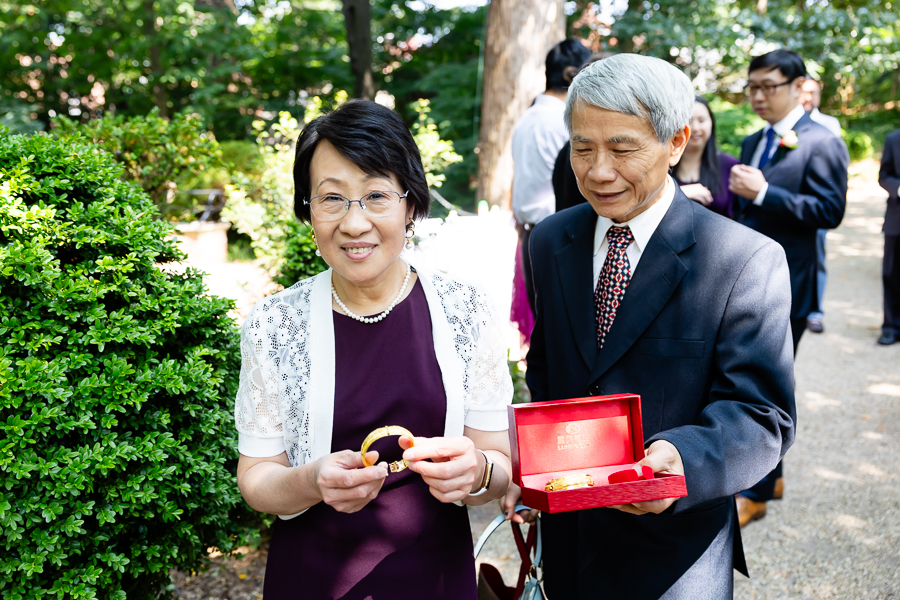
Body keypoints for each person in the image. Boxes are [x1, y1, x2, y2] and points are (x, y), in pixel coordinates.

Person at [503, 53, 796, 599]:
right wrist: (529, 467)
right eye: (583, 148)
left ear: (677, 141)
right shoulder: (550, 242)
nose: (598, 170)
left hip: (675, 553)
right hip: (566, 540)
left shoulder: (743, 260)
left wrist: (681, 461)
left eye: (622, 148)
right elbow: (547, 369)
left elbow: (761, 415)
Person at [234, 99, 514, 599]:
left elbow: (497, 465)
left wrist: (476, 472)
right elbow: (256, 479)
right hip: (313, 578)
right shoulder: (274, 324)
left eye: (376, 196)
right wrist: (311, 480)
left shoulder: (466, 310)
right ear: (308, 210)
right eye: (332, 199)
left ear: (410, 205)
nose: (354, 223)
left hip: (437, 578)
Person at [730, 49, 848, 526]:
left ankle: (755, 492)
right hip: (744, 278)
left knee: (767, 383)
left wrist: (763, 193)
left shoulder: (822, 142)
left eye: (768, 87)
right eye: (752, 87)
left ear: (799, 87)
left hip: (791, 282)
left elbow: (830, 210)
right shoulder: (751, 140)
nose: (758, 96)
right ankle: (770, 475)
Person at [511, 38, 592, 316]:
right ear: (574, 74)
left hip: (532, 232)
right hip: (559, 235)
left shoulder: (527, 117)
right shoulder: (563, 121)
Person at [800, 77, 843, 334]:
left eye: (813, 93)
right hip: (791, 203)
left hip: (817, 204)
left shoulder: (829, 125)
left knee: (819, 255)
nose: (808, 98)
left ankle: (815, 311)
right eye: (804, 92)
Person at [671, 97, 739, 217]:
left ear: (711, 123)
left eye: (702, 120)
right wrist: (679, 194)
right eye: (688, 121)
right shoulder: (662, 164)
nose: (695, 128)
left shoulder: (729, 165)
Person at [878, 129, 900, 345]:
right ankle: (891, 327)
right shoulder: (894, 139)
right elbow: (884, 176)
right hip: (897, 218)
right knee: (891, 273)